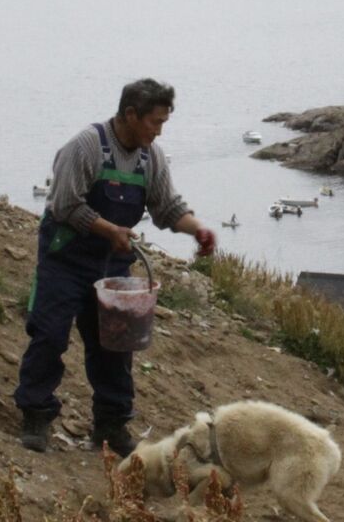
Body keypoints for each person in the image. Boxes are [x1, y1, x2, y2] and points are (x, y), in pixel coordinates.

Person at [15, 78, 216, 454]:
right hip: (66, 260)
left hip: (112, 266)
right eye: (154, 122)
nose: (158, 131)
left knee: (116, 347)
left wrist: (197, 229)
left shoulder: (149, 157)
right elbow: (65, 205)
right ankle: (35, 414)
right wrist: (110, 230)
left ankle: (110, 425)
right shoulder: (86, 147)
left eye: (162, 124)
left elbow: (166, 207)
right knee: (49, 334)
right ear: (130, 114)